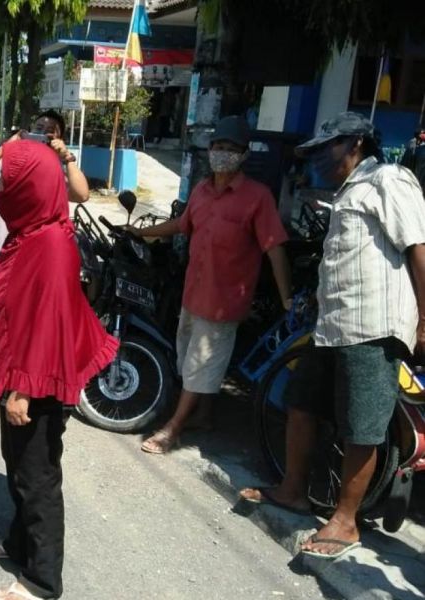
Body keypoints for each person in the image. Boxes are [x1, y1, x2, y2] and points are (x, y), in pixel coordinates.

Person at [240, 112, 425, 560]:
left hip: (372, 328)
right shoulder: (349, 192)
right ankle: (293, 491)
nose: (320, 157)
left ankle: (345, 523)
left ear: (356, 143)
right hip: (333, 327)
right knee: (301, 403)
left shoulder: (388, 179)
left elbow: (419, 246)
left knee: (362, 425)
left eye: (328, 147)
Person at [0, 136, 117, 600]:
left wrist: (23, 391)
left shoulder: (49, 243)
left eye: (8, 179)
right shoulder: (31, 231)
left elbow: (48, 324)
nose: (0, 186)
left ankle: (42, 580)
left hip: (36, 381)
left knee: (38, 477)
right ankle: (20, 544)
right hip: (22, 371)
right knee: (18, 465)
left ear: (30, 186)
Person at [130, 115, 292, 454]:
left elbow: (274, 247)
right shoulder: (202, 190)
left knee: (200, 365)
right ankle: (203, 416)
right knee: (190, 359)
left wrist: (286, 298)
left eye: (231, 148)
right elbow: (180, 225)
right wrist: (140, 233)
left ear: (244, 155)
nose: (223, 153)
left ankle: (172, 429)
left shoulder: (257, 197)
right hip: (193, 293)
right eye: (218, 146)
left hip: (225, 300)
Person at [0, 110, 90, 390]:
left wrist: (66, 157)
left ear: (59, 137)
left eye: (51, 130)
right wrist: (6, 147)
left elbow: (81, 194)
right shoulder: (11, 156)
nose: (44, 131)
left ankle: (11, 369)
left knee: (27, 315)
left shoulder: (56, 166)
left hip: (32, 256)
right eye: (38, 126)